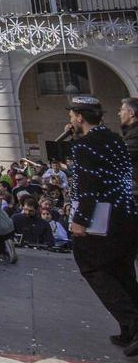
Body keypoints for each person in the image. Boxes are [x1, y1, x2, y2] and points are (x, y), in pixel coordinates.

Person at [63, 95, 138, 352]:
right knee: (122, 271)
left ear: (80, 117)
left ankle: (133, 322)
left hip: (101, 219)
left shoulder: (85, 147)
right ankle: (129, 330)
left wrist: (80, 221)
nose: (70, 119)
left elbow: (88, 187)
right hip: (126, 214)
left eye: (72, 115)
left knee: (92, 267)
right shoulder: (116, 139)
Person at [120, 97, 138, 197]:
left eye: (122, 110)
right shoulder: (130, 134)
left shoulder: (135, 135)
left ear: (131, 113)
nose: (119, 114)